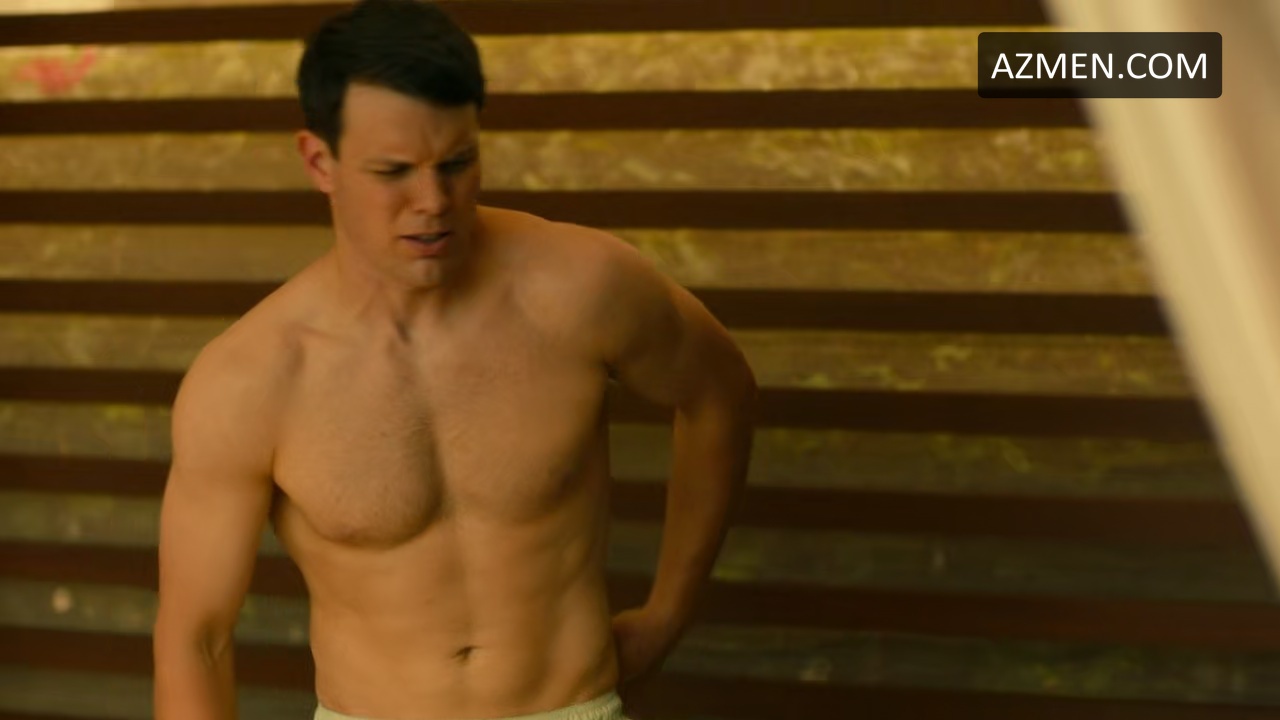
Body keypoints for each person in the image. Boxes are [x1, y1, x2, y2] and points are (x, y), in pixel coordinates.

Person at [150, 1, 757, 719]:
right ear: (320, 162)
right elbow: (197, 639)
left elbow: (720, 394)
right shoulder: (251, 377)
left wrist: (667, 615)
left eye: (457, 164)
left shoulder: (582, 288)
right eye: (394, 171)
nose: (433, 201)